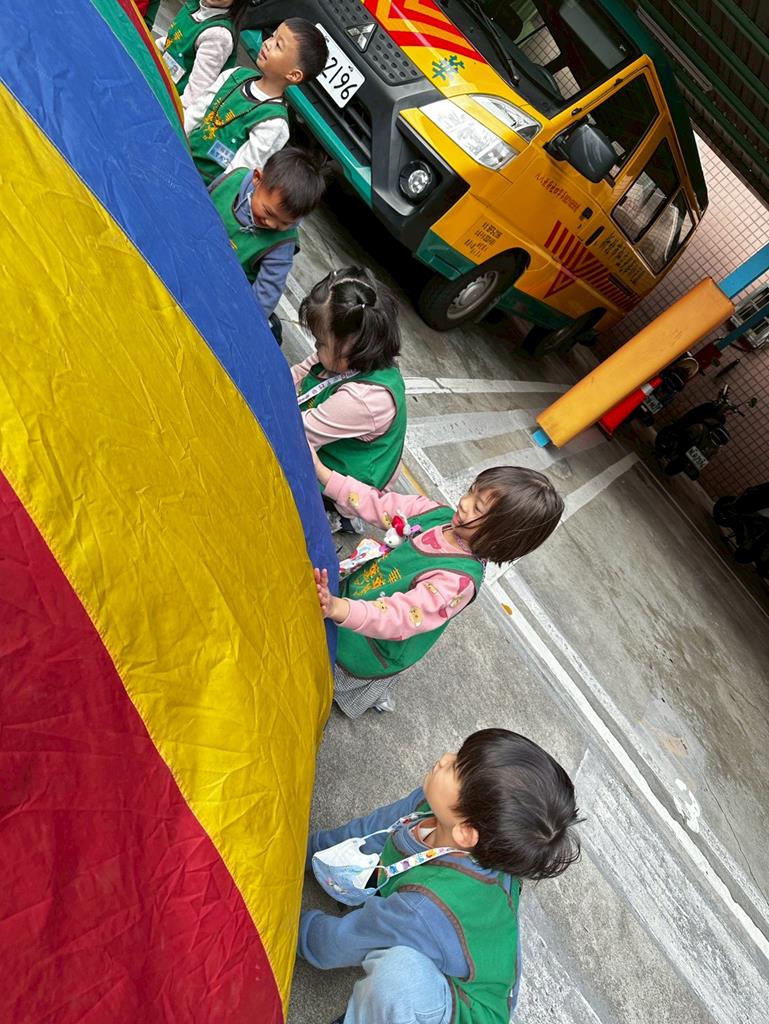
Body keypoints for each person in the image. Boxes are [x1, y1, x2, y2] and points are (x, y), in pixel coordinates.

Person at [300, 728, 582, 1024]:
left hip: (466, 1010)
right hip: (463, 950)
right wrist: (304, 850)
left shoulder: (427, 905)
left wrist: (288, 925)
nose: (445, 758)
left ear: (465, 833)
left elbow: (337, 943)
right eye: (459, 755)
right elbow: (370, 831)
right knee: (405, 933)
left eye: (456, 768)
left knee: (399, 977)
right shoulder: (442, 808)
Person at [311, 452, 564, 717]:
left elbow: (398, 617)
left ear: (503, 537)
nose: (464, 503)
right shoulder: (437, 516)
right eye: (472, 491)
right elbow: (382, 504)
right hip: (360, 596)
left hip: (370, 641)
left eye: (478, 509)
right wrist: (324, 474)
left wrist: (337, 608)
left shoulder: (457, 581)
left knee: (317, 670)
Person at [291, 267, 406, 504]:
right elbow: (299, 373)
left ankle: (336, 513)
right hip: (333, 443)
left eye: (321, 343)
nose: (316, 349)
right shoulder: (355, 356)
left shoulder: (364, 400)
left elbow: (297, 434)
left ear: (350, 349)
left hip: (345, 484)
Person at [184, 20, 328, 185]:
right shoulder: (235, 75)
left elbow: (237, 174)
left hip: (201, 185)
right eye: (272, 36)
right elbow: (194, 113)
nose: (267, 43)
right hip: (179, 152)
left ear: (293, 75)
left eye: (278, 45)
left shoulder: (274, 123)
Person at [208, 147, 327, 320]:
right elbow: (195, 202)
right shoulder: (232, 181)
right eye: (268, 212)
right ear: (257, 178)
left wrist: (243, 321)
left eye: (285, 223)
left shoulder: (282, 244)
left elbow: (266, 295)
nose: (273, 224)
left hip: (224, 292)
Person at [155, 0, 254, 110]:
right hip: (159, 80)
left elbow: (194, 96)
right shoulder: (195, 5)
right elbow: (171, 41)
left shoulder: (218, 35)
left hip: (170, 101)